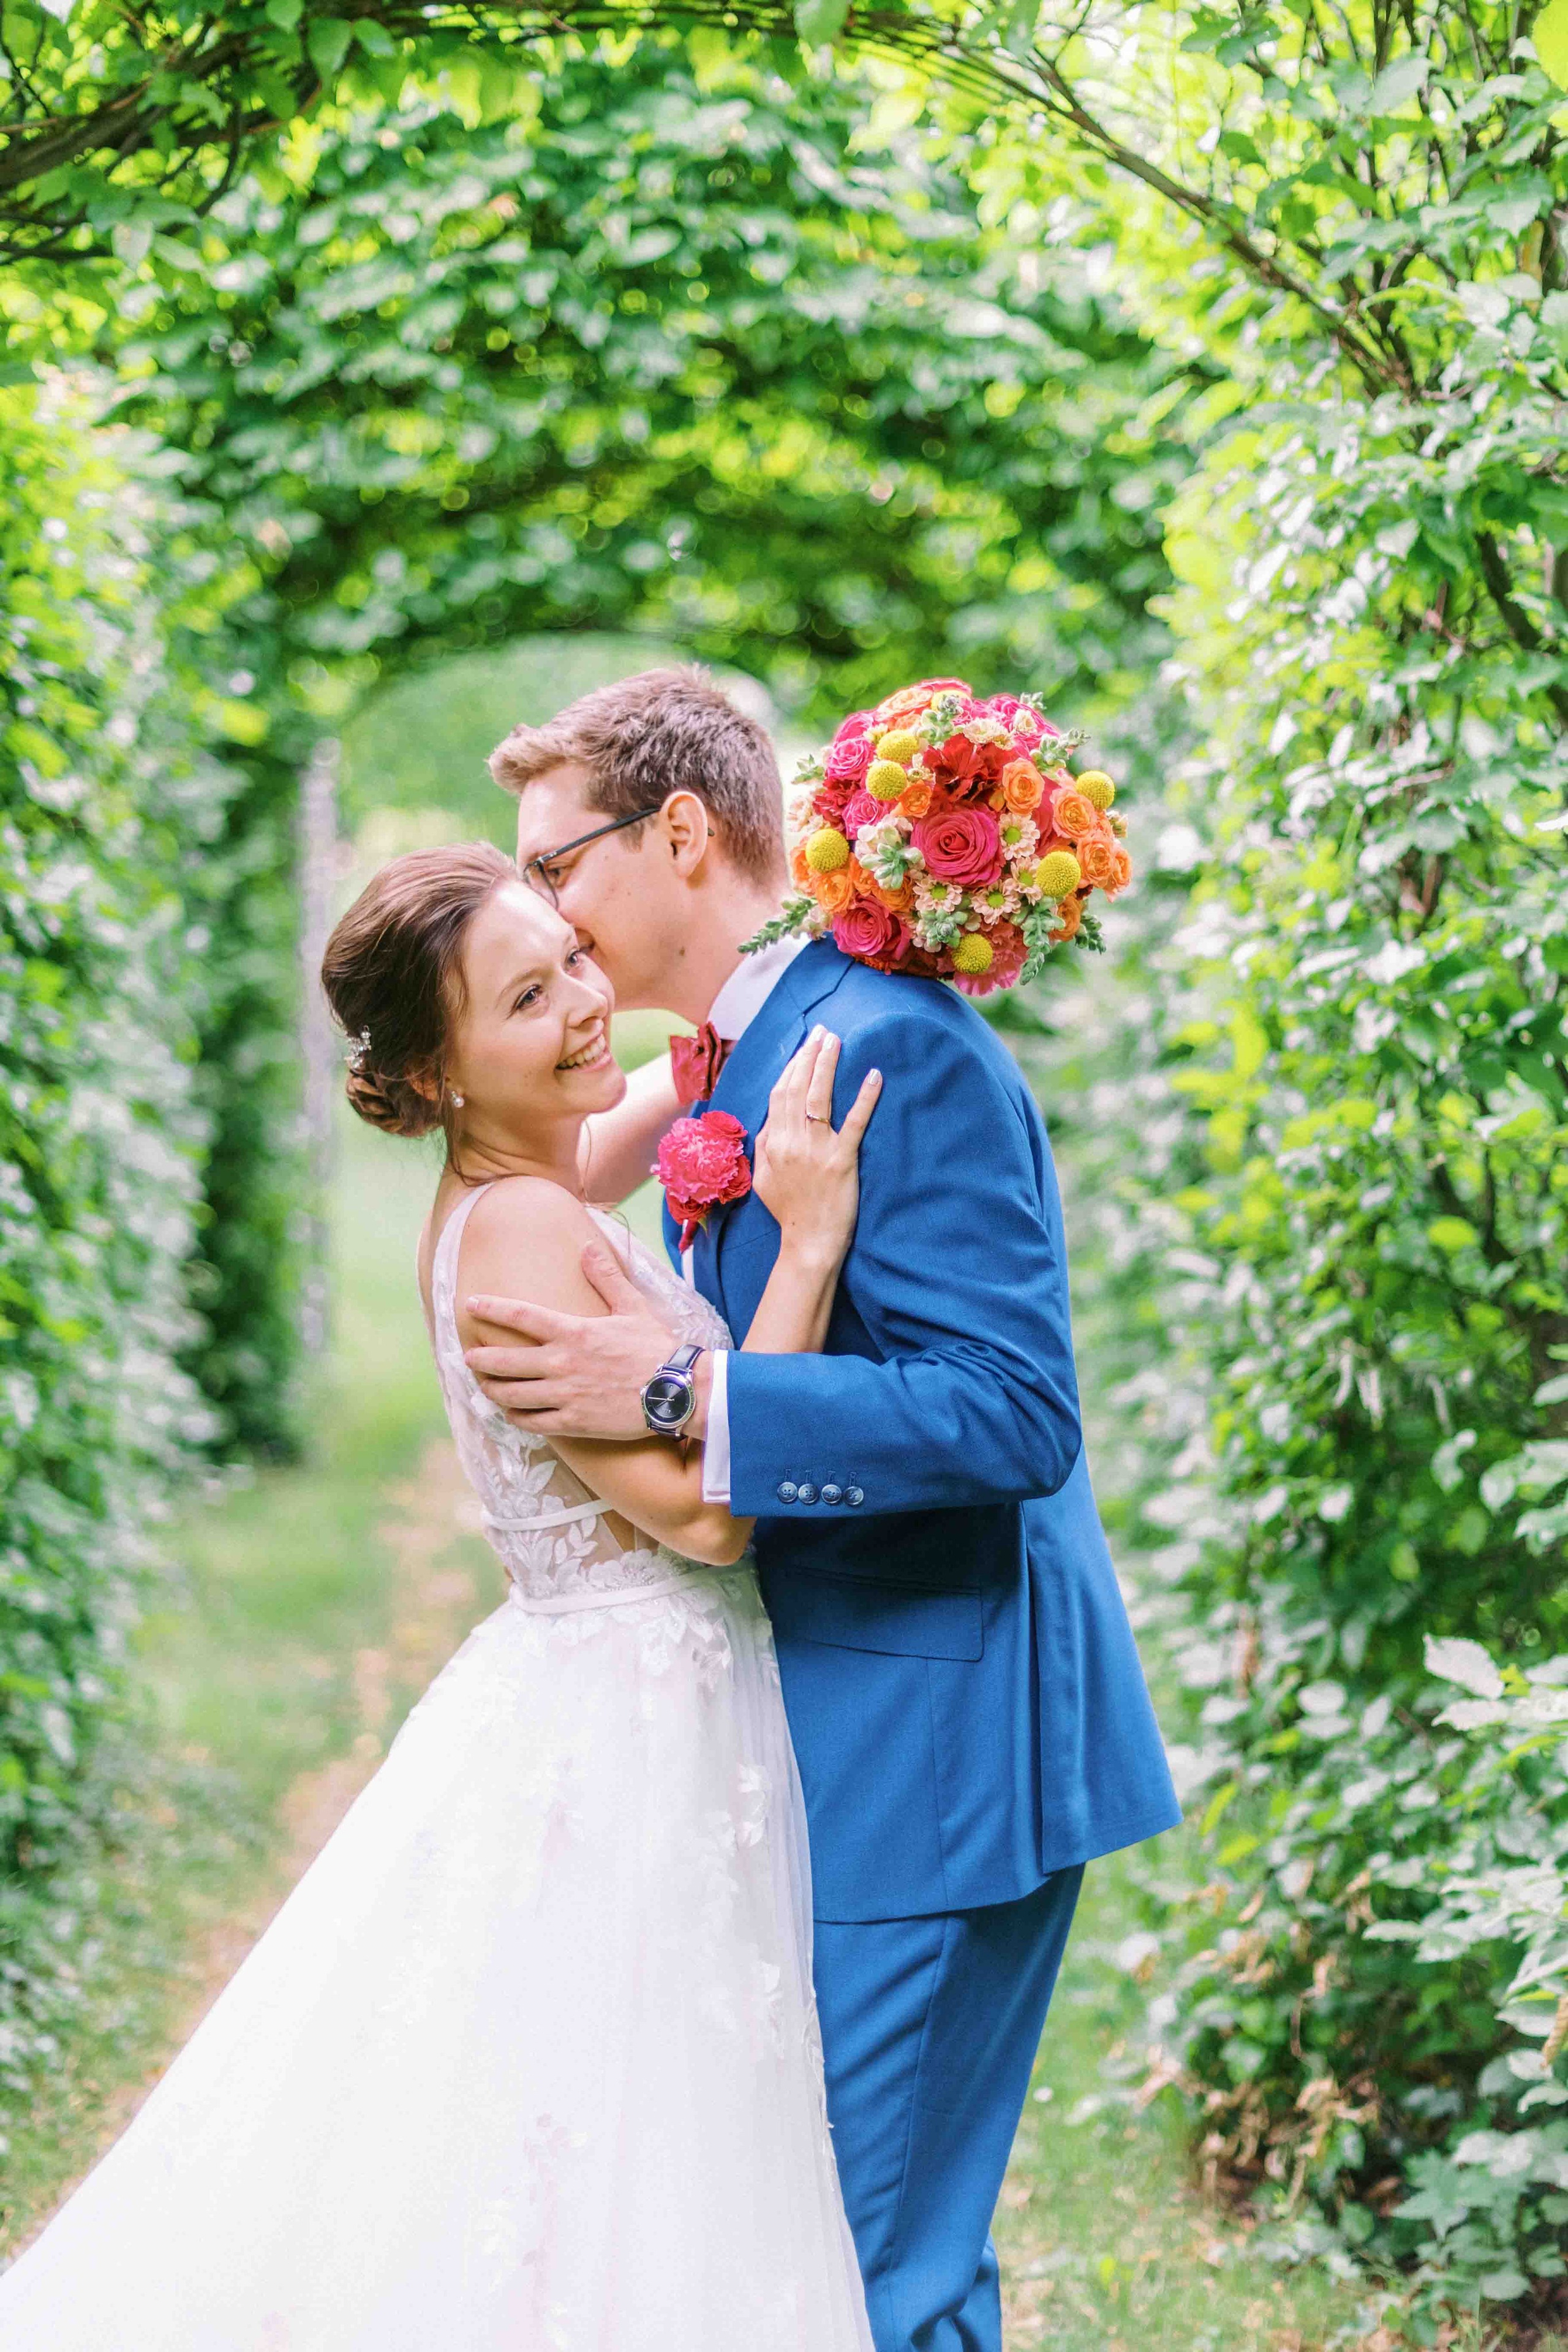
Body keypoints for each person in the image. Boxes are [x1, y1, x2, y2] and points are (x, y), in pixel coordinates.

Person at [0, 845, 879, 2351]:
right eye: (527, 997)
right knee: (625, 2127)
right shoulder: (524, 1230)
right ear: (436, 1071)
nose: (583, 1005)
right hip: (633, 1714)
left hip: (608, 1684)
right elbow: (712, 1525)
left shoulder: (525, 1191)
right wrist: (804, 1246)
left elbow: (656, 1075)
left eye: (574, 962)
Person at [467, 666, 1182, 2352]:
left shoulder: (889, 1045)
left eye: (554, 868)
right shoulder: (747, 1044)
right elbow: (515, 1159)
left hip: (936, 1744)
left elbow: (1015, 1412)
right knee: (844, 2242)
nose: (539, 907)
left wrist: (681, 1401)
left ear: (684, 832)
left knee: (869, 2266)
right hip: (832, 1719)